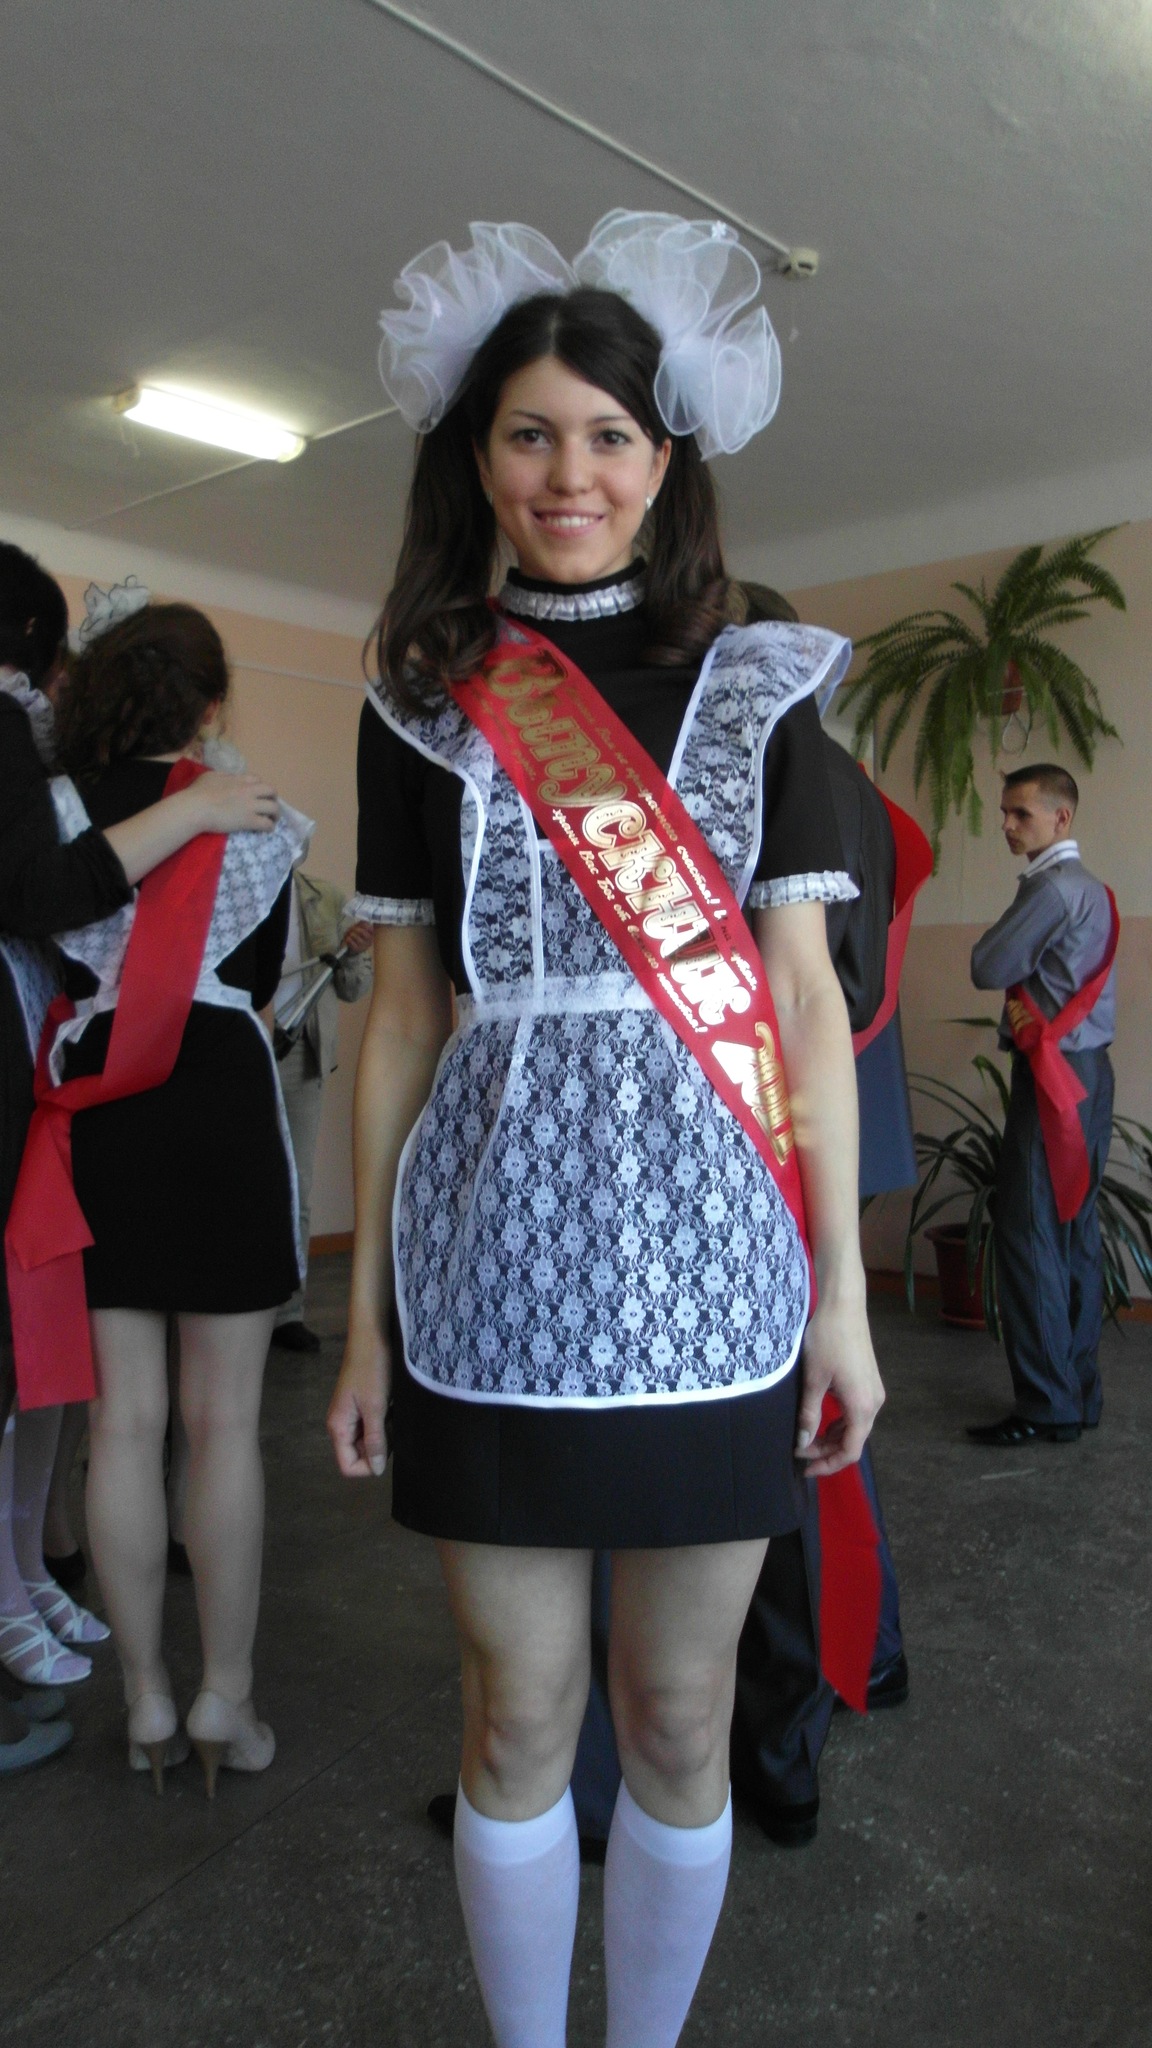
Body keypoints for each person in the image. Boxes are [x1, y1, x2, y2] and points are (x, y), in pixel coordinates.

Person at [329, 211, 883, 2048]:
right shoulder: (423, 703)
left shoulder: (760, 680)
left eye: (609, 435)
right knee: (513, 1718)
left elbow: (802, 1005)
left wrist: (841, 1299)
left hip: (718, 1281)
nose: (569, 475)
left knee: (679, 1714)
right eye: (529, 434)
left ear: (667, 457)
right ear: (476, 455)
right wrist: (363, 1319)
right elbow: (406, 1021)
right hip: (490, 1281)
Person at [0, 546, 280, 1774]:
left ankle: (149, 1702)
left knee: (121, 1423)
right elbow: (256, 983)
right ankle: (228, 1697)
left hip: (99, 1107)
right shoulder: (251, 813)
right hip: (216, 1096)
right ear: (208, 705)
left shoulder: (53, 809)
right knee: (223, 1424)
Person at [968, 764, 1116, 1445]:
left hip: (1053, 1078)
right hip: (1089, 1073)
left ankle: (1046, 1404)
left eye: (1020, 813)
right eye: (1004, 811)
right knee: (1073, 1230)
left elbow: (987, 965)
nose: (1006, 824)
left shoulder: (1052, 889)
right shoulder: (1094, 890)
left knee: (1029, 1234)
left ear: (1062, 818)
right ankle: (1078, 1392)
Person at [270, 870, 372, 1353]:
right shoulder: (232, 887)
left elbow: (354, 988)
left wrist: (353, 951)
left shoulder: (324, 898)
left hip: (299, 1050)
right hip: (241, 1045)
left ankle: (288, 1312)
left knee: (297, 1186)